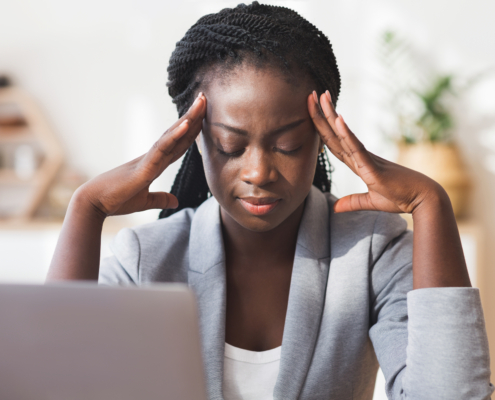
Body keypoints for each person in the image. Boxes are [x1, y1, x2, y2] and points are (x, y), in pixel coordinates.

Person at [47, 2, 493, 399]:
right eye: (229, 146)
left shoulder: (374, 250)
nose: (258, 172)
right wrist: (86, 209)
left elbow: (451, 394)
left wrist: (430, 202)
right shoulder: (146, 260)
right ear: (196, 141)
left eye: (287, 144)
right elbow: (55, 388)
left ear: (322, 139)